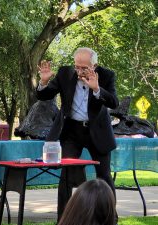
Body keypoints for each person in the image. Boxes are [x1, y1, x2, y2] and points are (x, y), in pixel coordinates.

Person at [37, 47, 119, 224]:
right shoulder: (65, 73)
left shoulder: (106, 75)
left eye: (84, 68)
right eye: (77, 67)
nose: (80, 72)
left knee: (103, 176)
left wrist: (97, 89)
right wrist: (43, 82)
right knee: (66, 175)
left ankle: (110, 218)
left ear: (94, 65)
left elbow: (113, 102)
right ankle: (64, 219)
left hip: (97, 130)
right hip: (71, 131)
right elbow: (44, 95)